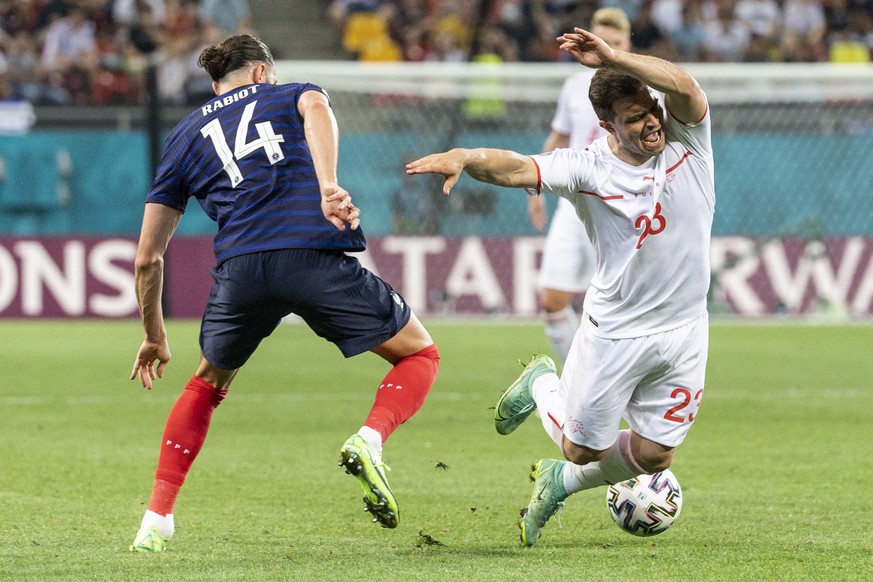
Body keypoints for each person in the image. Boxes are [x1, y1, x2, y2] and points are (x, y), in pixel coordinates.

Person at [129, 34, 440, 552]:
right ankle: (369, 440)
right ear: (259, 73)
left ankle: (155, 520)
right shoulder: (287, 93)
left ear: (214, 85)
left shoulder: (183, 137)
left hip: (241, 269)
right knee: (420, 355)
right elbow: (315, 104)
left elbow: (146, 257)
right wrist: (327, 186)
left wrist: (154, 335)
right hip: (309, 253)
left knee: (206, 384)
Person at [406, 25, 713, 547]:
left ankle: (558, 485)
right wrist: (467, 157)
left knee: (656, 454)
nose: (650, 124)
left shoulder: (688, 138)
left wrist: (616, 58)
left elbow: (683, 84)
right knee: (581, 449)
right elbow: (517, 168)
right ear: (607, 126)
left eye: (650, 111)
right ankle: (542, 386)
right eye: (634, 119)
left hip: (686, 329)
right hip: (617, 330)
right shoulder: (588, 167)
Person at [527, 7, 632, 366]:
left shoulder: (641, 86)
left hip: (620, 208)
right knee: (552, 301)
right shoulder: (574, 86)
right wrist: (535, 185)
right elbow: (558, 137)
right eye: (605, 41)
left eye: (616, 43)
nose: (609, 49)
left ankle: (619, 384)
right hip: (573, 206)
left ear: (627, 43)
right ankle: (579, 380)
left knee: (616, 307)